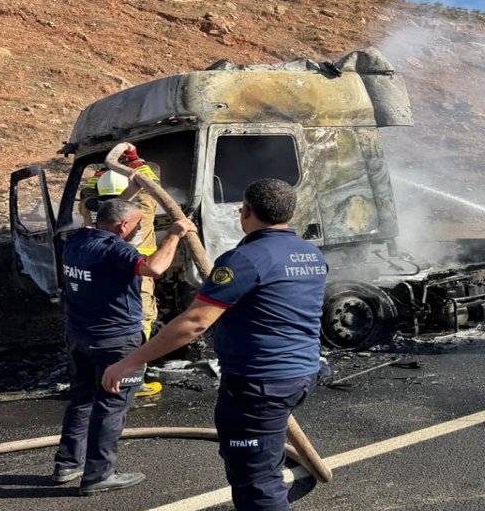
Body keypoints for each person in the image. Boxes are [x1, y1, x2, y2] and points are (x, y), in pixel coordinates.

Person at [102, 179, 325, 511]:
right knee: (265, 457)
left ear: (245, 211)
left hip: (259, 384)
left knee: (257, 482)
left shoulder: (245, 259)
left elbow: (194, 323)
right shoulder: (312, 254)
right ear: (291, 214)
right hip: (302, 374)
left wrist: (129, 362)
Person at [53, 199, 196, 495]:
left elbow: (113, 212)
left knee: (82, 399)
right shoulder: (115, 249)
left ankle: (68, 463)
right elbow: (154, 267)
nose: (139, 229)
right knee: (111, 405)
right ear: (123, 226)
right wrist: (175, 234)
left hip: (80, 335)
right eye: (138, 224)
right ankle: (99, 475)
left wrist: (133, 188)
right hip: (116, 341)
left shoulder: (78, 240)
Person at [80, 147, 164, 397]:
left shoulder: (92, 211)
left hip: (101, 280)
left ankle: (98, 376)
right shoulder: (142, 210)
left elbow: (86, 193)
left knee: (104, 325)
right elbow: (152, 185)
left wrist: (103, 172)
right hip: (138, 279)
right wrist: (135, 160)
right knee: (140, 324)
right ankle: (132, 379)